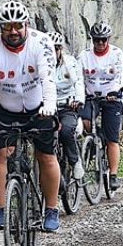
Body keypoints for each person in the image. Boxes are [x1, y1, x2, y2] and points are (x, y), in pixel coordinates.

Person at [0, 0, 61, 232]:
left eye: (18, 26)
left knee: (46, 156)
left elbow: (48, 78)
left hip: (38, 105)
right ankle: (2, 210)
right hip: (4, 107)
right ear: (0, 27)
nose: (13, 31)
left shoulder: (41, 43)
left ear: (26, 25)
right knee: (3, 155)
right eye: (7, 26)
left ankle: (52, 209)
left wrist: (50, 104)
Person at [79, 22, 123, 191]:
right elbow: (78, 77)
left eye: (103, 40)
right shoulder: (84, 55)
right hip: (91, 96)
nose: (100, 43)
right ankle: (96, 137)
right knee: (84, 121)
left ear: (108, 39)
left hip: (111, 97)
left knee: (112, 138)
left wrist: (115, 92)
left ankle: (113, 175)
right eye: (96, 40)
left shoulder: (116, 54)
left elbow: (119, 76)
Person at [51, 30, 85, 180]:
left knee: (65, 131)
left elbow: (78, 81)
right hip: (48, 108)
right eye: (49, 49)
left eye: (56, 48)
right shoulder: (40, 63)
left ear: (60, 50)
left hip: (67, 106)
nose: (53, 52)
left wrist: (78, 100)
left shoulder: (70, 63)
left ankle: (75, 161)